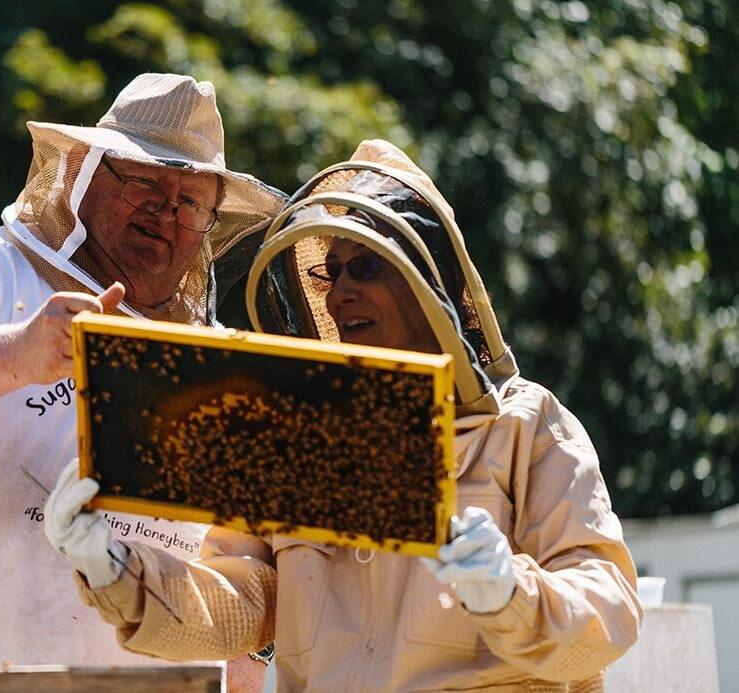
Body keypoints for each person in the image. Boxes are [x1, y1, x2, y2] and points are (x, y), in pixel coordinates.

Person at [42, 139, 643, 691]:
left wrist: (509, 591)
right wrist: (112, 566)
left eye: (366, 266)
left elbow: (608, 612)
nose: (336, 293)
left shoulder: (526, 425)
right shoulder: (298, 432)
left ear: (426, 279)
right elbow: (240, 606)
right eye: (330, 273)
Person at [0, 73, 286, 671]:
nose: (167, 211)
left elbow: (230, 600)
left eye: (191, 201)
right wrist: (16, 354)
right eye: (146, 181)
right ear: (80, 174)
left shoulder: (215, 369)